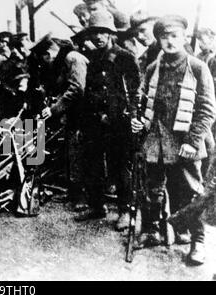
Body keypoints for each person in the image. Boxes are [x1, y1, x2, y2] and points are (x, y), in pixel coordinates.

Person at [131, 15, 216, 265]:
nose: (169, 41)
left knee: (190, 192)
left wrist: (192, 140)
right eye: (164, 37)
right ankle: (152, 231)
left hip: (185, 143)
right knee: (153, 188)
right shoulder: (152, 68)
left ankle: (196, 241)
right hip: (155, 140)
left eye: (174, 36)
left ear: (182, 38)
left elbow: (207, 109)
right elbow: (145, 102)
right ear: (158, 39)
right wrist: (139, 122)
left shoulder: (196, 67)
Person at [77, 11, 142, 231]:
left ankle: (125, 210)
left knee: (120, 165)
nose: (98, 37)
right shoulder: (93, 58)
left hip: (119, 122)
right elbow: (89, 90)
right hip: (96, 120)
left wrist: (131, 117)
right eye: (94, 32)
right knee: (92, 162)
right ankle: (97, 206)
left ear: (111, 34)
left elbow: (135, 92)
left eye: (103, 32)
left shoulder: (124, 56)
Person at [30, 34, 88, 203]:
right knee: (72, 154)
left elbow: (77, 89)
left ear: (49, 53)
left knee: (79, 155)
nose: (46, 63)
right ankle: (74, 194)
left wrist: (54, 109)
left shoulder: (73, 58)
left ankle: (82, 198)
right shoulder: (66, 61)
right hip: (74, 115)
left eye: (44, 59)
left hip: (84, 115)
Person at [128, 10, 160, 75]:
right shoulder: (146, 56)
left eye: (143, 30)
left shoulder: (169, 50)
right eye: (135, 34)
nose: (140, 37)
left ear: (155, 26)